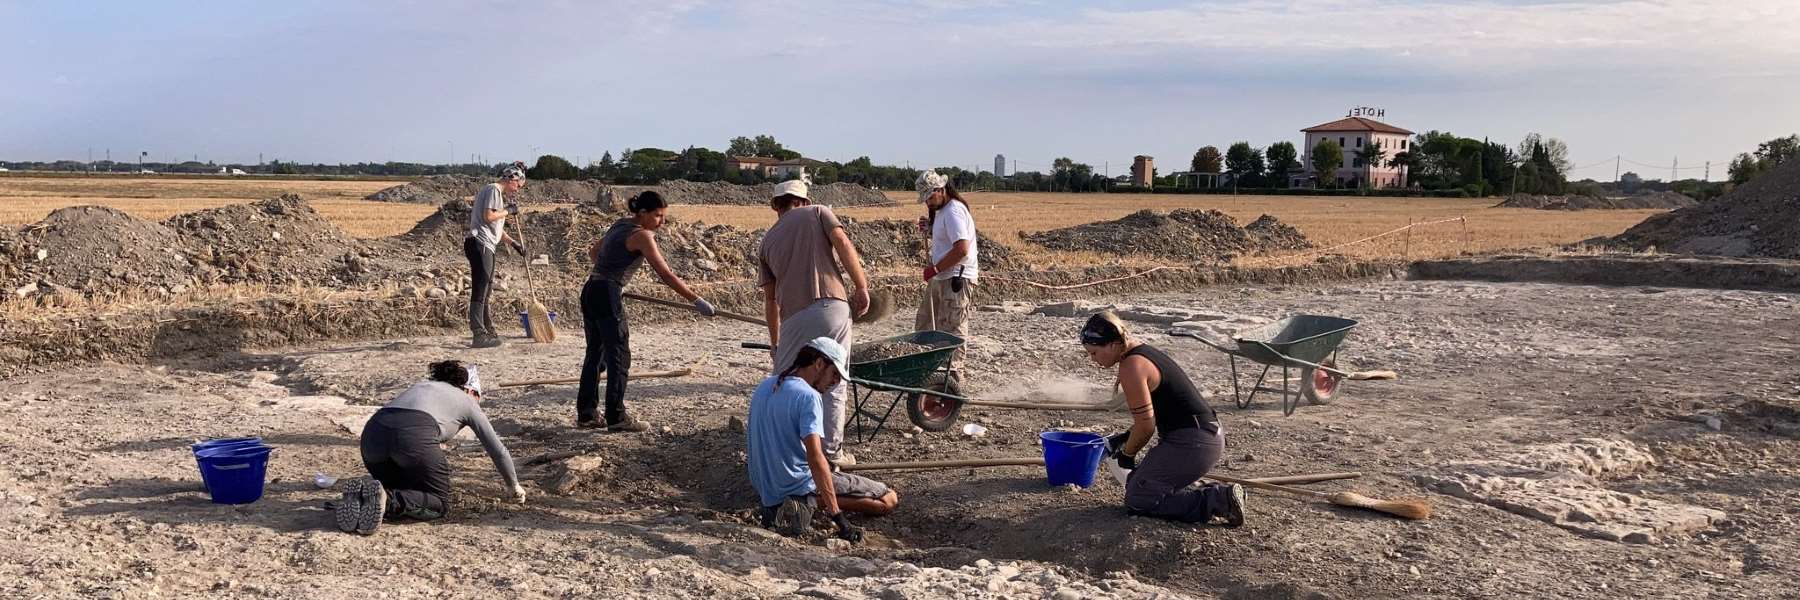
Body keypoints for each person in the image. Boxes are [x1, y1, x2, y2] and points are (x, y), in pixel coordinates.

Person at [1078, 311, 1247, 526]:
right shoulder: (1141, 352)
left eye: (1094, 353)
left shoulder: (1132, 366)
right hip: (1204, 435)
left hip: (1193, 442)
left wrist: (1127, 454)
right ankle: (1219, 494)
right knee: (1144, 484)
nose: (1093, 360)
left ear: (1111, 344)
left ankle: (1220, 500)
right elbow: (1155, 413)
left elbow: (1146, 426)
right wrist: (1126, 437)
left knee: (1139, 498)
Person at [576, 191, 716, 432]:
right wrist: (696, 300)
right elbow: (665, 274)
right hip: (606, 293)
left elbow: (593, 253)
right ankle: (617, 418)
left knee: (595, 356)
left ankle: (587, 415)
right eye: (658, 216)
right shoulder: (642, 235)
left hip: (591, 289)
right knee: (618, 357)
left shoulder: (619, 224)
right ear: (642, 214)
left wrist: (610, 273)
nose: (661, 221)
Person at [336, 360, 524, 535]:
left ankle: (361, 498)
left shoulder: (421, 386)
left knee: (404, 486)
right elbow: (497, 450)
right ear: (471, 391)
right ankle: (389, 501)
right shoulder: (467, 401)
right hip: (412, 437)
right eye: (478, 397)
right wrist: (513, 485)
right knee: (438, 502)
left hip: (372, 438)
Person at [758, 179, 872, 461]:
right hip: (831, 307)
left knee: (786, 382)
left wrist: (776, 343)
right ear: (804, 201)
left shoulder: (767, 241)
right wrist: (861, 286)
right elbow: (843, 242)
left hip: (793, 318)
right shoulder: (818, 212)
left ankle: (784, 452)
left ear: (776, 207)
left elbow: (770, 300)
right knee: (833, 380)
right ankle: (831, 455)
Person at [748, 337, 898, 540]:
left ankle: (780, 506)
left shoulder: (765, 386)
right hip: (797, 484)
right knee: (888, 498)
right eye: (834, 374)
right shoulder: (809, 396)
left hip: (766, 488)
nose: (835, 382)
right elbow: (815, 457)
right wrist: (838, 517)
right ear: (819, 364)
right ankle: (807, 502)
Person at [913, 171, 979, 368]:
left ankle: (951, 382)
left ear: (941, 190)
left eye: (930, 198)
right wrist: (931, 228)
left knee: (950, 333)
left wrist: (935, 268)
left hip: (956, 280)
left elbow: (961, 249)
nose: (928, 203)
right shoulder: (944, 211)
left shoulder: (953, 211)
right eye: (925, 199)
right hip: (943, 278)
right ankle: (928, 371)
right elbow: (948, 239)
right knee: (926, 324)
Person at [465, 163, 529, 348]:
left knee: (487, 289)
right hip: (480, 244)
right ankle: (479, 335)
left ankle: (487, 330)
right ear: (512, 179)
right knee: (480, 289)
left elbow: (496, 228)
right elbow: (488, 217)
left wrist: (515, 244)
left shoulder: (496, 195)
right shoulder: (494, 189)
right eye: (518, 185)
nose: (517, 190)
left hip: (487, 245)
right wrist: (508, 211)